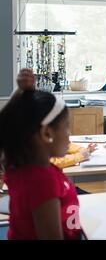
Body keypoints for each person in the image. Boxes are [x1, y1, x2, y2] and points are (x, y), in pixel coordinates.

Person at [0, 69, 82, 239]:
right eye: (66, 127)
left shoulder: (21, 164)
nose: (69, 133)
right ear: (46, 134)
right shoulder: (42, 182)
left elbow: (16, 118)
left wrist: (23, 94)